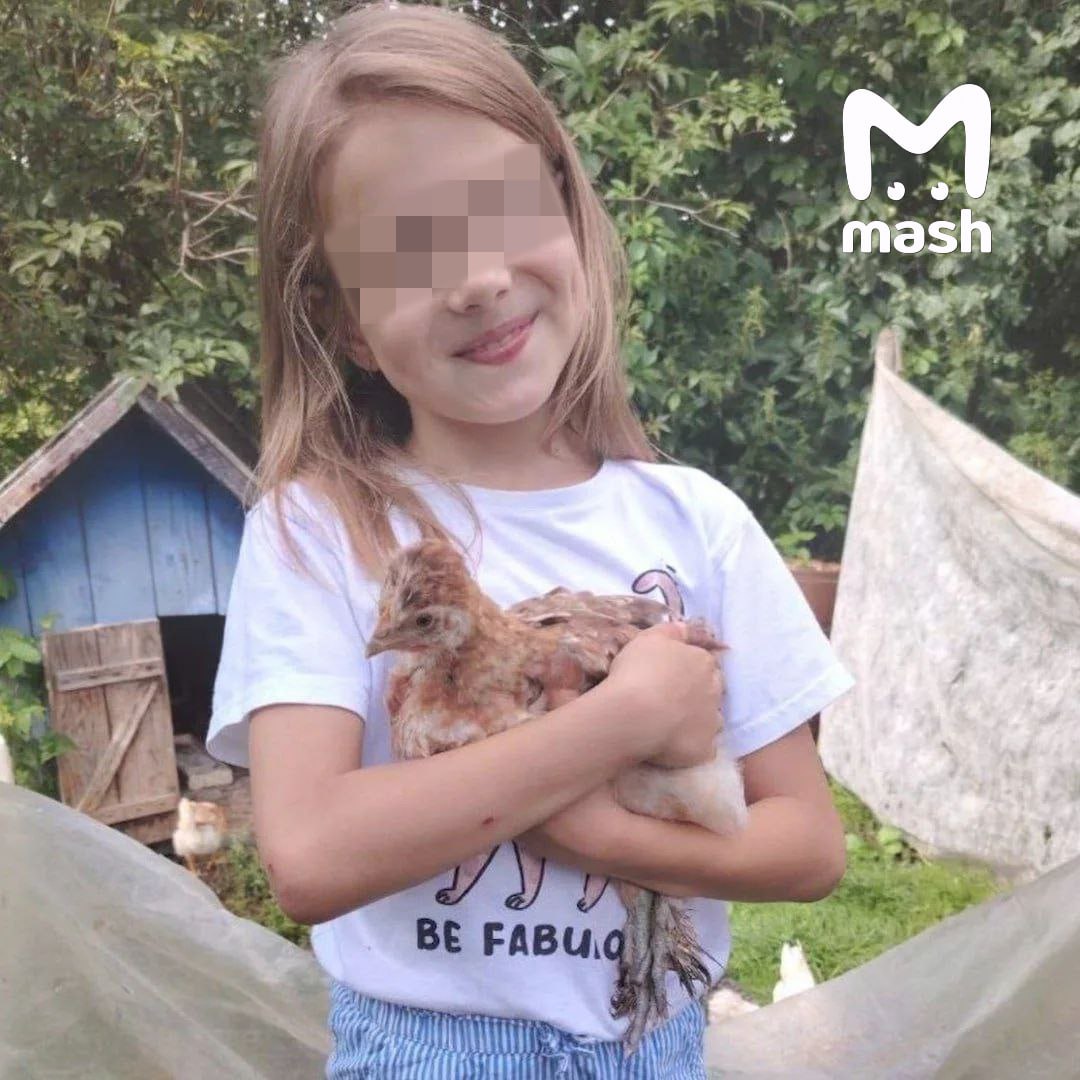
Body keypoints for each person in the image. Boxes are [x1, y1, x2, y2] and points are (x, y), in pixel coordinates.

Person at [206, 3, 856, 1076]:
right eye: (410, 250)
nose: (475, 279)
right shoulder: (316, 530)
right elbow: (311, 854)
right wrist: (624, 721)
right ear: (346, 319)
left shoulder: (697, 522)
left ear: (570, 210)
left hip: (653, 1041)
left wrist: (597, 839)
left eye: (501, 210)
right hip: (425, 1053)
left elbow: (810, 846)